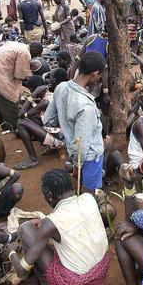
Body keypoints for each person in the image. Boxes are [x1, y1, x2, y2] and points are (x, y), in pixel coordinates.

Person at [8, 169, 109, 285]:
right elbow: (74, 218)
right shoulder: (88, 198)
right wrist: (46, 222)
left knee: (25, 229)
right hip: (101, 272)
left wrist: (11, 252)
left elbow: (21, 271)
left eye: (44, 194)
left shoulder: (52, 222)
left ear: (49, 195)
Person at [43, 51, 106, 192]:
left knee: (81, 184)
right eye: (99, 76)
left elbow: (48, 120)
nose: (98, 79)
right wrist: (77, 166)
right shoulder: (86, 106)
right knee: (89, 194)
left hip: (72, 150)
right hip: (90, 156)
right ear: (94, 74)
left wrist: (67, 130)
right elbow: (82, 147)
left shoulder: (61, 87)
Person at [0, 41, 32, 130]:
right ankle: (17, 127)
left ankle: (4, 125)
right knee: (8, 99)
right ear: (33, 50)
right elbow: (19, 75)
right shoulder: (25, 53)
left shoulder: (18, 45)